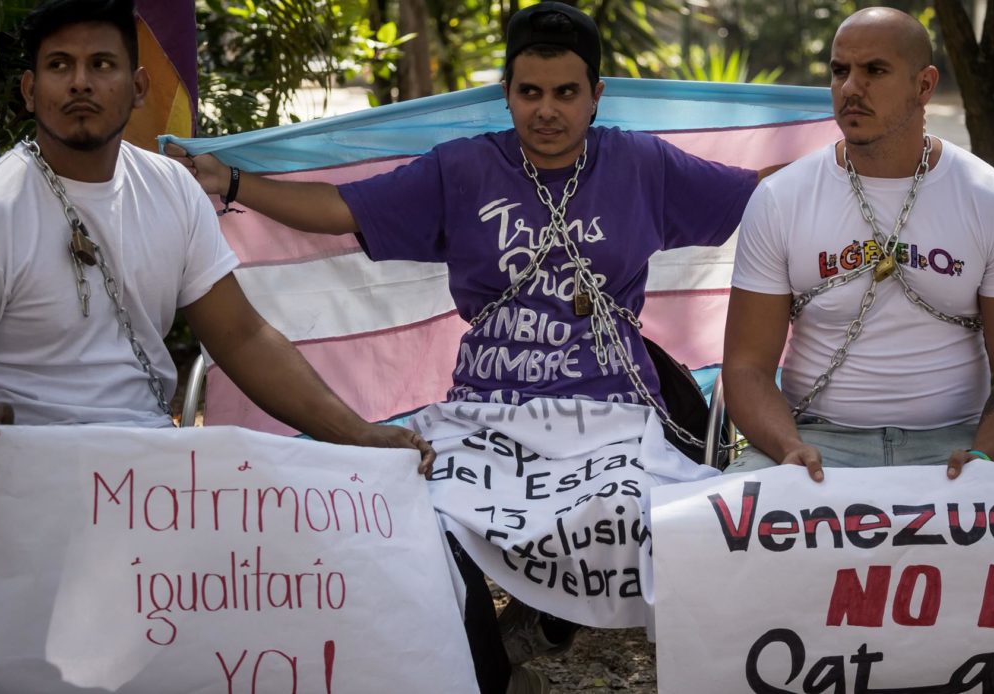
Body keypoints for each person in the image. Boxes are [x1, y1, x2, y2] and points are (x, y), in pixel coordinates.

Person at [168, 4, 764, 692]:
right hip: (487, 418)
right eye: (528, 92)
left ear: (596, 95)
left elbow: (759, 201)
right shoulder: (463, 169)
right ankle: (493, 677)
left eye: (566, 93)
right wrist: (233, 183)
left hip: (613, 418)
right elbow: (341, 210)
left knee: (663, 522)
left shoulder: (640, 164)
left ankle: (553, 622)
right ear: (505, 91)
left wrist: (851, 166)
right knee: (415, 523)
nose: (546, 110)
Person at [0, 0, 433, 471]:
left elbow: (242, 338)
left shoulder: (172, 187)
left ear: (138, 87)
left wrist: (359, 435)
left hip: (152, 470)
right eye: (60, 65)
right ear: (31, 91)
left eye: (101, 64)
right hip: (28, 475)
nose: (81, 81)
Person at [722, 6, 994, 483]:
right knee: (718, 538)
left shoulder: (991, 199)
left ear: (924, 85)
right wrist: (789, 448)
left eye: (875, 70)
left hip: (962, 443)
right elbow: (747, 367)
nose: (851, 88)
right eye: (840, 71)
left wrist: (984, 457)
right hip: (813, 441)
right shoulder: (781, 199)